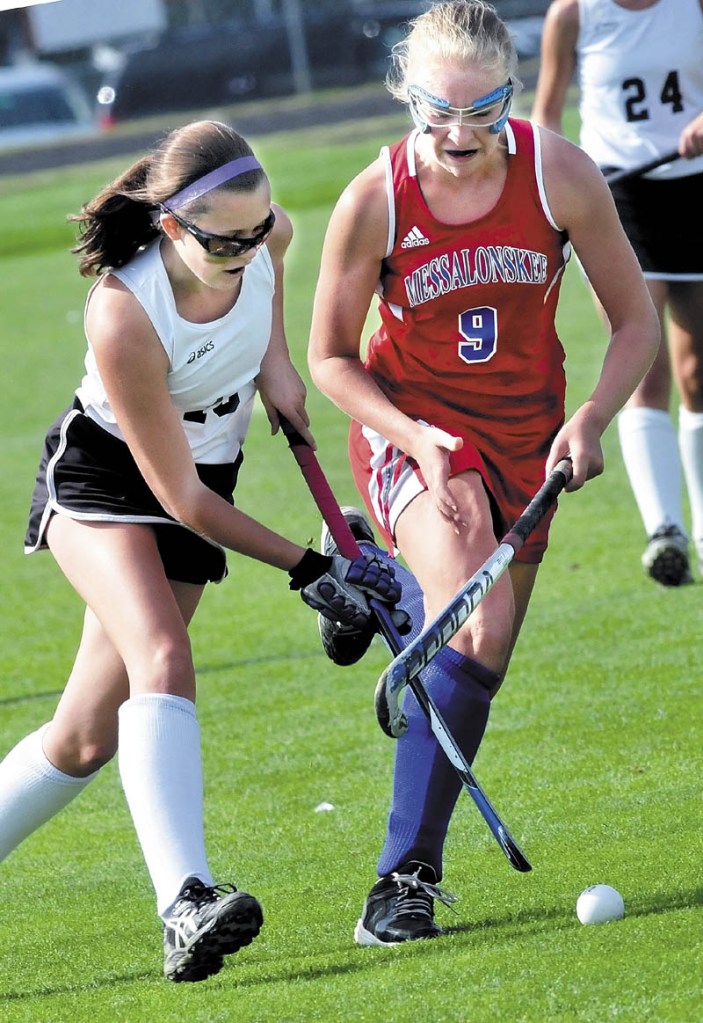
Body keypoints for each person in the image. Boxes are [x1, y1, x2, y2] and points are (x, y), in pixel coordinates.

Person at [0, 119, 402, 983]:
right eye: (227, 239)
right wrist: (312, 569)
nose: (249, 248)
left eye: (257, 230)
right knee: (162, 650)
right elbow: (182, 500)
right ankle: (185, 902)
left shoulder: (263, 238)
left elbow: (269, 296)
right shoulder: (124, 310)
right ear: (175, 226)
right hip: (107, 484)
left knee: (81, 738)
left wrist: (279, 372)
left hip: (197, 482)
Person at [308, 0, 659, 945]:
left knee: (479, 656)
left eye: (482, 111)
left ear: (510, 91)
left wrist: (591, 416)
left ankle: (379, 586)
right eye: (436, 114)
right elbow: (330, 357)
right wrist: (414, 437)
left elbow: (635, 322)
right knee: (478, 609)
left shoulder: (557, 173)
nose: (459, 136)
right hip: (412, 434)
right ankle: (400, 882)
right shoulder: (375, 196)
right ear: (406, 97)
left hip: (527, 443)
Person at [531, 0, 703, 587]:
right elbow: (547, 114)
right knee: (642, 358)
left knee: (698, 369)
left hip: (694, 186)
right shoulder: (574, 14)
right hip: (618, 197)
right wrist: (546, 201)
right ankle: (665, 533)